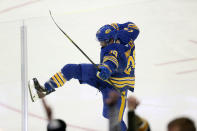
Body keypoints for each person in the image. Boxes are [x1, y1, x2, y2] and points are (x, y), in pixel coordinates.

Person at [28, 22, 140, 131]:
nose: (100, 44)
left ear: (110, 40)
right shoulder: (125, 35)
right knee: (70, 69)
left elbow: (112, 62)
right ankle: (45, 89)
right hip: (105, 75)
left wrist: (106, 69)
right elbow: (134, 27)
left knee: (113, 118)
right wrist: (112, 27)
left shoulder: (114, 50)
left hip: (116, 86)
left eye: (102, 42)